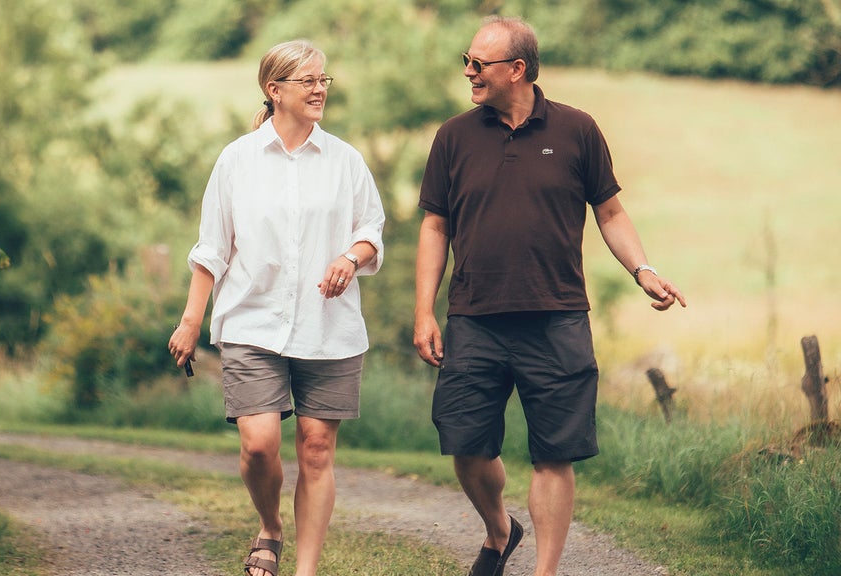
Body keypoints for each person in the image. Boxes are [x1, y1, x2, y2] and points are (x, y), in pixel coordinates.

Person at [413, 16, 686, 576]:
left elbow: (610, 212)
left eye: (478, 63)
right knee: (465, 444)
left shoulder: (577, 130)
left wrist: (643, 270)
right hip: (475, 317)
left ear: (517, 69)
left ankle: (545, 571)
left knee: (554, 454)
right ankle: (500, 529)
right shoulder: (453, 137)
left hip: (557, 318)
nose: (468, 72)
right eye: (466, 61)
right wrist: (424, 311)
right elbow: (435, 227)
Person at [167, 39, 385, 576]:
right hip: (251, 321)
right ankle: (270, 525)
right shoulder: (237, 160)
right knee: (260, 446)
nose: (320, 89)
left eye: (323, 79)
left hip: (328, 327)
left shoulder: (345, 161)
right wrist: (191, 321)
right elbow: (212, 250)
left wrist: (350, 258)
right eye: (308, 80)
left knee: (316, 448)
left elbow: (371, 230)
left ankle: (305, 570)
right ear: (275, 89)